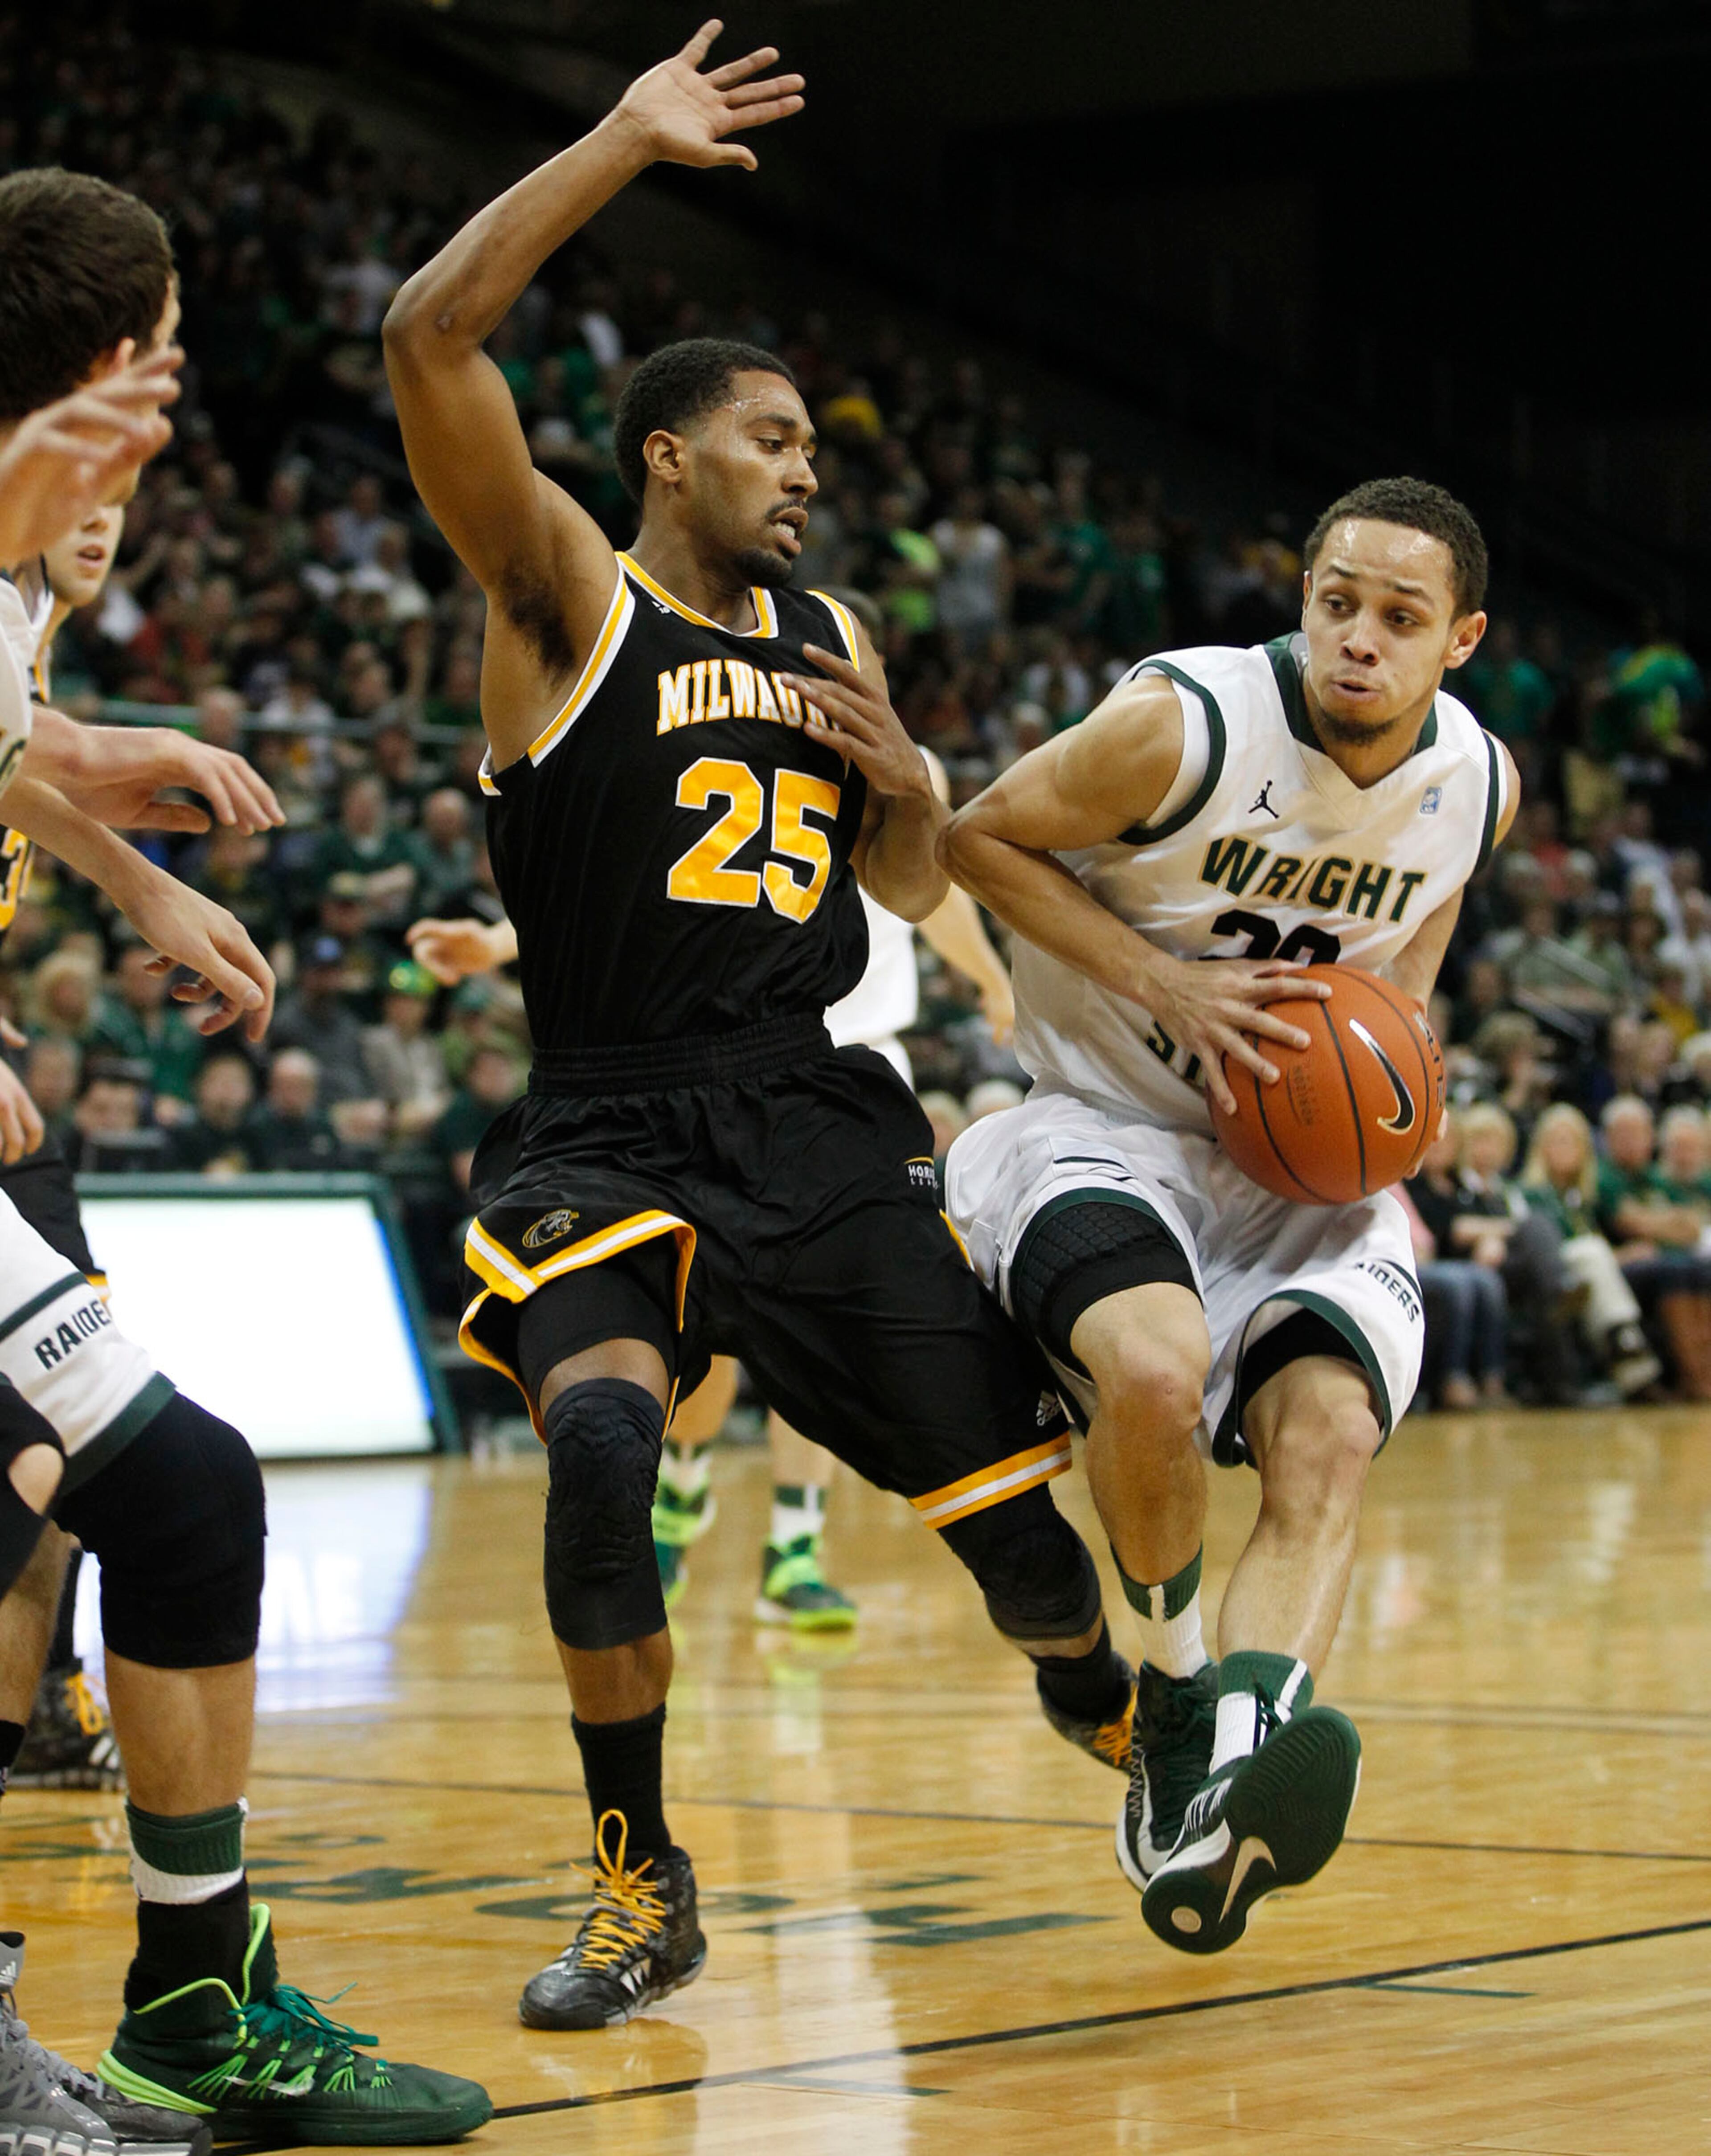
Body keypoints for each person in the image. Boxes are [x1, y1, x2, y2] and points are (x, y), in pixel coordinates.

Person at [385, 22, 1131, 2032]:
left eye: (814, 450)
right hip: (608, 1120)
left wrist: (906, 786)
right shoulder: (562, 593)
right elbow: (428, 341)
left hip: (812, 1115)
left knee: (1021, 1553)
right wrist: (622, 143)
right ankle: (641, 1880)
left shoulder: (832, 637)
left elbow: (899, 879)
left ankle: (1106, 1705)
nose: (808, 471)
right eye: (774, 440)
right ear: (668, 456)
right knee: (599, 1442)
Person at [0, 162, 491, 2148]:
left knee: (178, 1495)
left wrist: (124, 858)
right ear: (119, 360)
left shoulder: (30, 561)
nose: (186, 382)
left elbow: (10, 742)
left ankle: (195, 1999)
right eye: (175, 344)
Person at [943, 475, 1522, 1952]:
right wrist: (1172, 987)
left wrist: (1389, 1082)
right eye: (1338, 602)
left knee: (1327, 1437)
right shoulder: (1185, 724)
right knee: (1152, 1373)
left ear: (1459, 640)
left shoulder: (1479, 780)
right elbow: (977, 840)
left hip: (1296, 1175)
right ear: (1305, 599)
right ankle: (1177, 1692)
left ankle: (1219, 1796)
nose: (1359, 639)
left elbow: (1419, 953)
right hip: (1106, 1124)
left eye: (1400, 618)